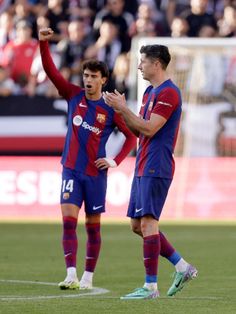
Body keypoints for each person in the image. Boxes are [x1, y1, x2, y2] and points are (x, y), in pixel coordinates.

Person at [38, 27, 136, 290]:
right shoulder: (73, 95)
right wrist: (43, 44)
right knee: (68, 223)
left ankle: (88, 277)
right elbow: (51, 72)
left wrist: (114, 161)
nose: (87, 80)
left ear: (104, 80)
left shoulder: (111, 109)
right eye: (85, 75)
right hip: (70, 170)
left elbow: (131, 138)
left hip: (95, 175)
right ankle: (70, 274)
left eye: (93, 76)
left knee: (93, 228)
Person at [103, 44, 198, 300]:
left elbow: (150, 129)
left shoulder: (169, 93)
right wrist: (120, 112)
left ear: (157, 64)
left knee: (148, 222)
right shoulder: (149, 92)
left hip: (158, 164)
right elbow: (139, 130)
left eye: (142, 61)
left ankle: (150, 287)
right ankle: (182, 267)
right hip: (143, 162)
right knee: (137, 225)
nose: (138, 66)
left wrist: (123, 109)